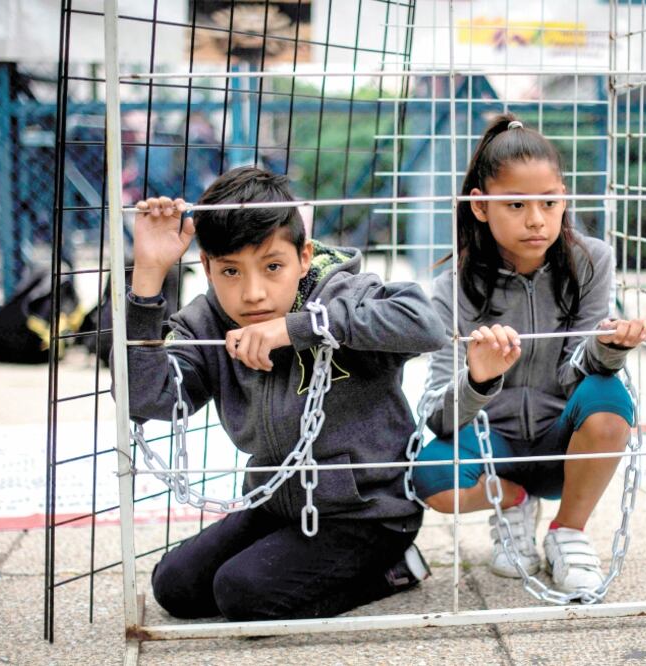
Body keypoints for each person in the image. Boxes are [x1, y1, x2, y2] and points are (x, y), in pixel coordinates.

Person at [121, 166, 449, 621]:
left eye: (273, 266)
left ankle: (394, 569)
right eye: (230, 271)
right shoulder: (207, 321)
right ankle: (286, 560)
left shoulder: (342, 293)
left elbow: (427, 324)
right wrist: (148, 279)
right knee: (173, 587)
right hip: (277, 502)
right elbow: (149, 399)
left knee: (243, 596)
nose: (253, 294)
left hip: (369, 513)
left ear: (304, 255)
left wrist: (300, 328)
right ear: (207, 266)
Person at [411, 115, 646, 596]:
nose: (536, 219)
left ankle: (567, 530)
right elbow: (436, 416)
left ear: (564, 197)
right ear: (480, 207)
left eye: (550, 202)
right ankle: (516, 502)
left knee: (610, 395)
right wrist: (479, 379)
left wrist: (606, 348)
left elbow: (578, 376)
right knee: (432, 476)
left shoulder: (591, 261)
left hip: (559, 442)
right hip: (491, 451)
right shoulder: (451, 290)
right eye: (516, 204)